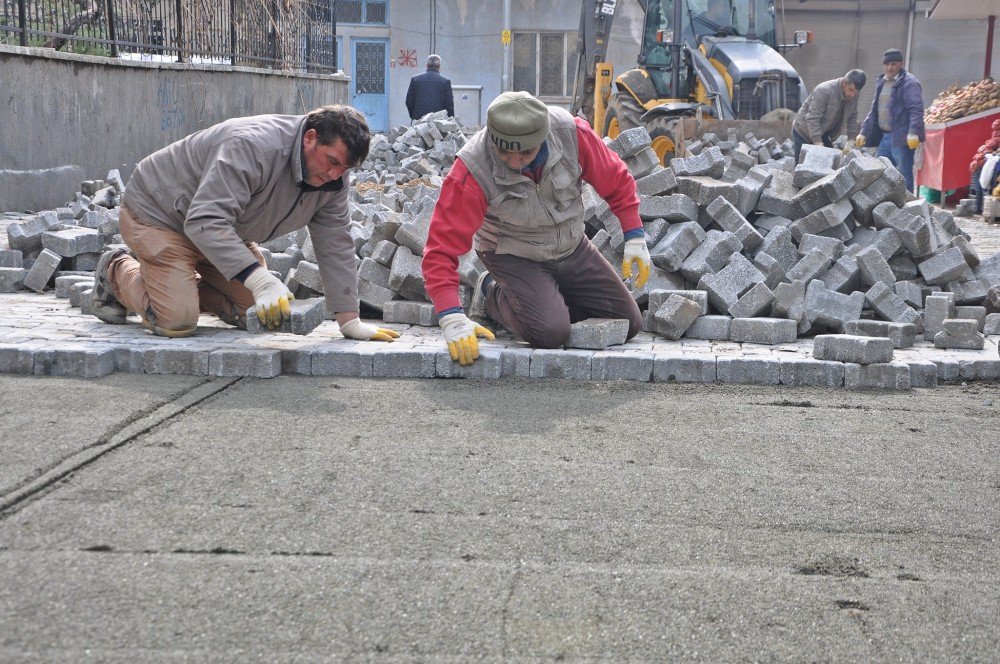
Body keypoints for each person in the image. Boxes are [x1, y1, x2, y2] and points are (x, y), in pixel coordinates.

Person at [90, 105, 400, 343]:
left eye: (344, 169)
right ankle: (115, 268)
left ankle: (176, 283)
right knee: (176, 321)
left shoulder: (333, 180)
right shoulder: (253, 147)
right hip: (159, 215)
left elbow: (335, 242)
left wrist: (350, 320)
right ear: (310, 138)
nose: (336, 175)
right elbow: (205, 219)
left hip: (221, 231)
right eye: (332, 161)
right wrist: (260, 279)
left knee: (261, 312)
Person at [421, 91, 649, 366]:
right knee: (551, 332)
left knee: (629, 322)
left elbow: (617, 181)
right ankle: (490, 291)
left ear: (542, 137)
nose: (515, 162)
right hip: (512, 254)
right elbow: (440, 249)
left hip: (571, 247)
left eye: (525, 153)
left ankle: (542, 298)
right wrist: (451, 317)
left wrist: (635, 236)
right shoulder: (472, 169)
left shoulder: (570, 133)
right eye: (505, 153)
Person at [857, 48, 925, 192]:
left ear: (901, 64)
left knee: (903, 173)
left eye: (893, 64)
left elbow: (916, 109)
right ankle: (887, 207)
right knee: (882, 172)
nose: (890, 67)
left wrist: (913, 132)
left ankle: (907, 207)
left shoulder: (909, 83)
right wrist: (864, 131)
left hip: (901, 138)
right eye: (887, 64)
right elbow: (874, 110)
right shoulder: (881, 82)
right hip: (884, 137)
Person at [791, 69, 867, 160]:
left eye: (856, 92)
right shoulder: (824, 90)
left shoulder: (853, 94)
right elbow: (812, 118)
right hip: (803, 131)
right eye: (851, 90)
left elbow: (852, 116)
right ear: (844, 83)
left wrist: (851, 140)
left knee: (830, 162)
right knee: (802, 165)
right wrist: (818, 143)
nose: (852, 95)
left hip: (824, 131)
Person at [405, 54, 455, 122]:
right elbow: (449, 104)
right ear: (438, 67)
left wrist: (414, 116)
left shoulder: (415, 80)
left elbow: (409, 101)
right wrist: (450, 120)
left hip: (418, 120)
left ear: (427, 65)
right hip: (438, 122)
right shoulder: (445, 82)